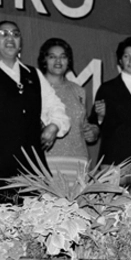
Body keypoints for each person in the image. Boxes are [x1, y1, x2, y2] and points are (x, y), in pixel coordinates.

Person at [0, 20, 70, 240]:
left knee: (32, 228)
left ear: (20, 42)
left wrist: (54, 126)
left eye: (15, 34)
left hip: (28, 166)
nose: (10, 38)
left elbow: (56, 108)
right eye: (3, 33)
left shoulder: (34, 75)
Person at [89, 37, 131, 195]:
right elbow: (93, 124)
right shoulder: (107, 88)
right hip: (114, 163)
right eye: (127, 56)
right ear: (120, 60)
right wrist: (101, 117)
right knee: (110, 213)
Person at [37, 37, 99, 167]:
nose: (58, 61)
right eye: (52, 57)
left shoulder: (79, 90)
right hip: (46, 160)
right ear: (44, 60)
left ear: (68, 60)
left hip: (78, 160)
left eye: (63, 57)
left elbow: (82, 123)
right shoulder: (35, 88)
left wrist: (92, 131)